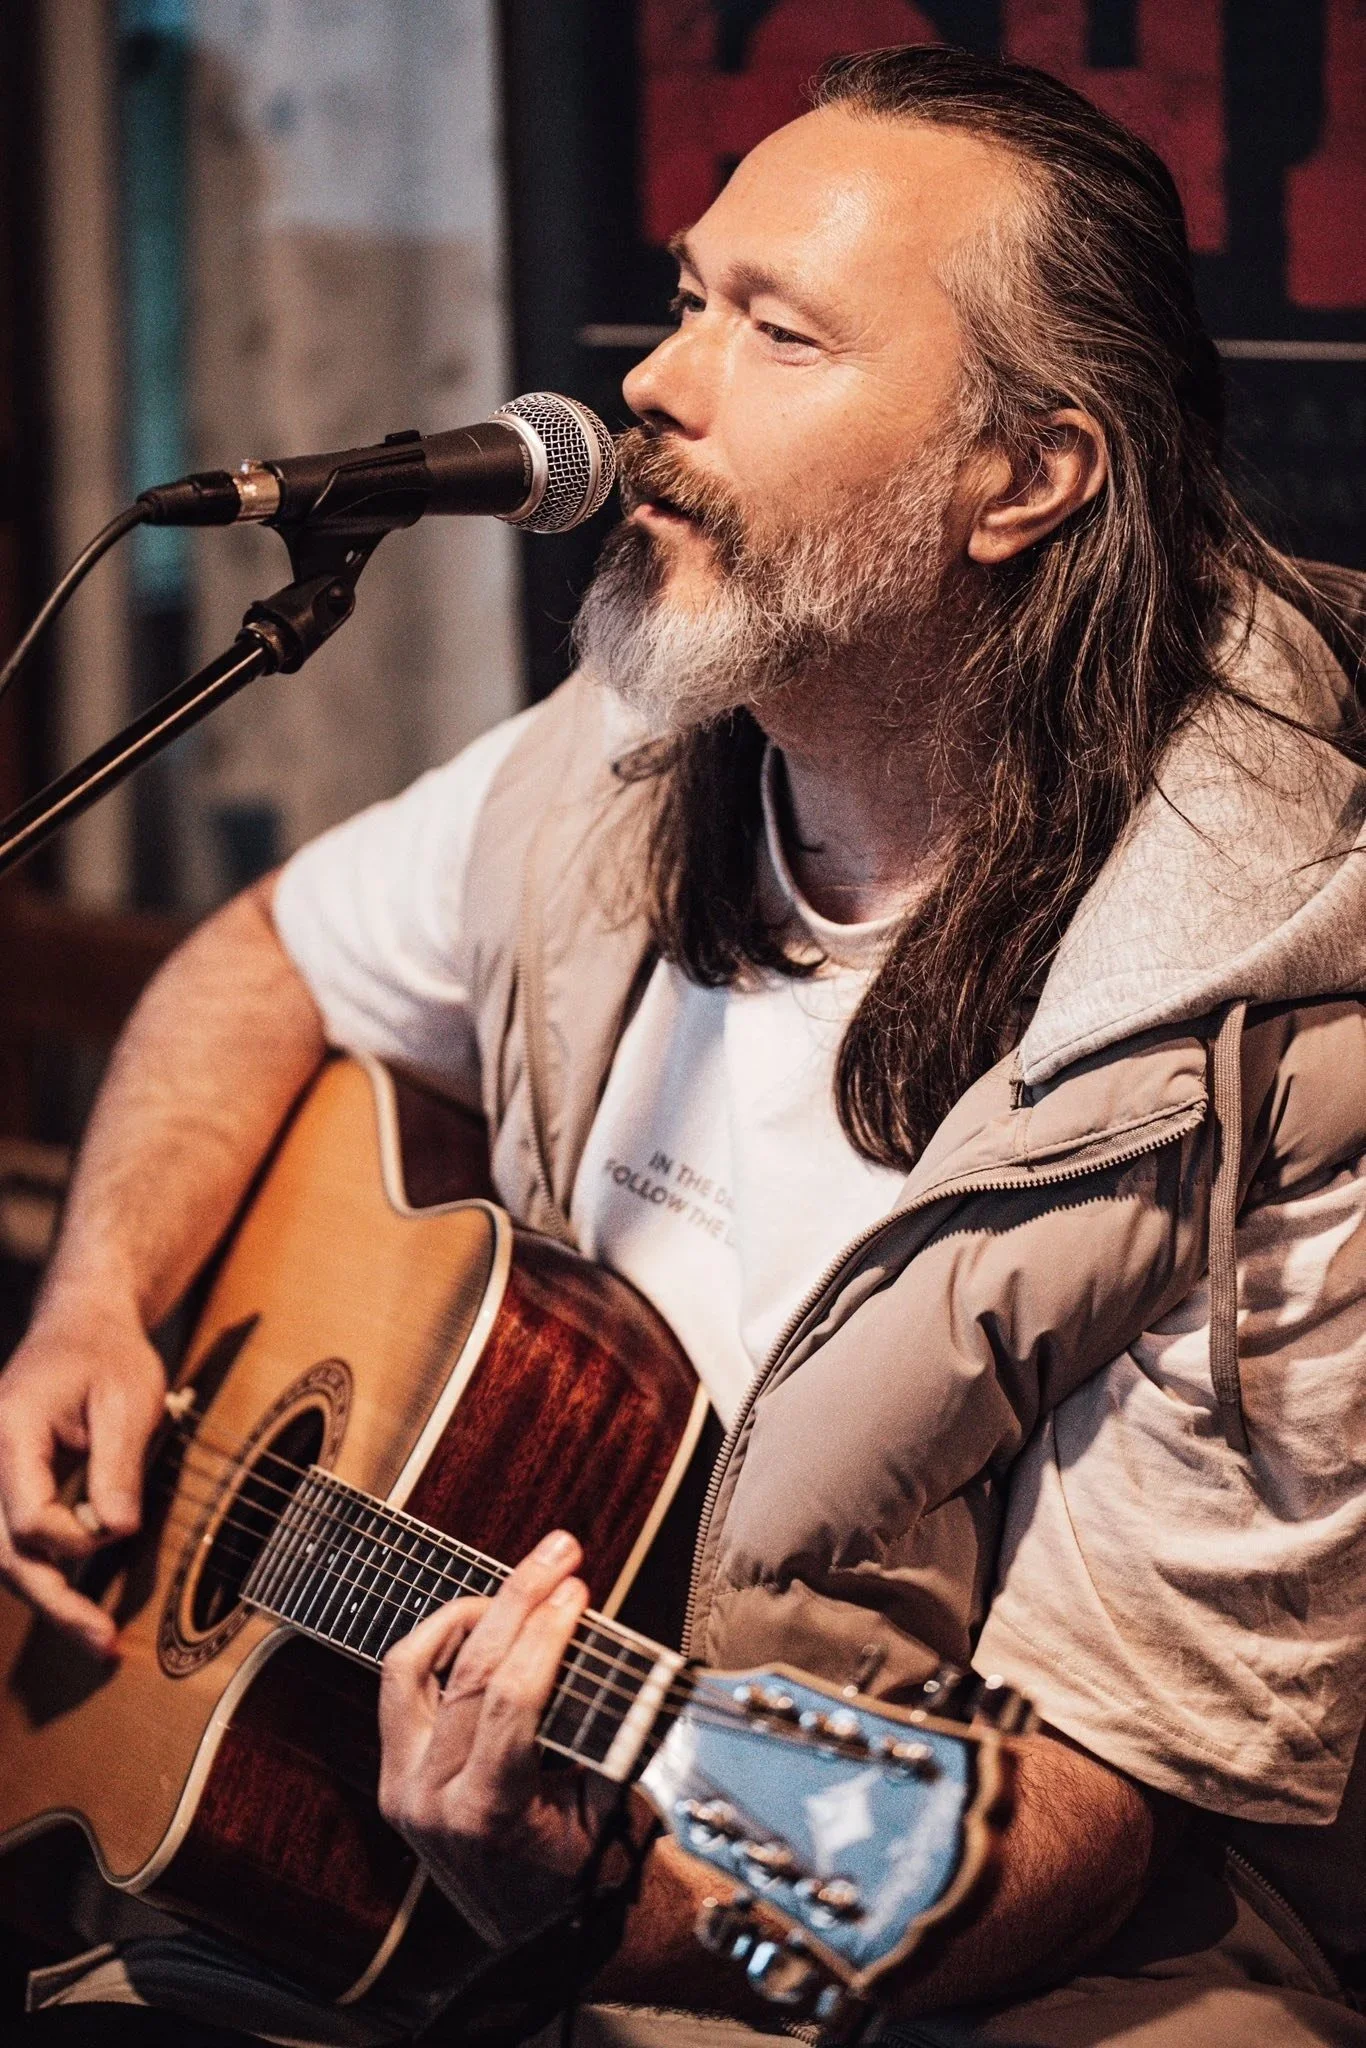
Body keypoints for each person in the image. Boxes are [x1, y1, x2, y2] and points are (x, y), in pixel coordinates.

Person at [2, 42, 1365, 2048]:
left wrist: (596, 1912)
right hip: (369, 1841)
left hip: (949, 1957)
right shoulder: (621, 751)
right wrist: (97, 1307)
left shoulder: (1263, 1054)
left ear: (1027, 476)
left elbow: (1102, 1783)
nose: (650, 378)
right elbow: (263, 953)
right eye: (684, 295)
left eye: (776, 330)